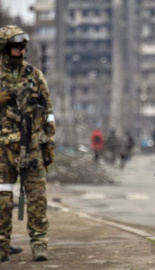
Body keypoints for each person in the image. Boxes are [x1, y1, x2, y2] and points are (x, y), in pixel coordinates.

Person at [0, 25, 56, 263]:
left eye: (23, 46)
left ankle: (39, 244)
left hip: (31, 146)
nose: (21, 51)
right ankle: (2, 246)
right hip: (2, 151)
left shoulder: (35, 75)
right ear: (5, 48)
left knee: (37, 198)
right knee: (2, 199)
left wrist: (49, 143)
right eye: (16, 46)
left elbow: (49, 113)